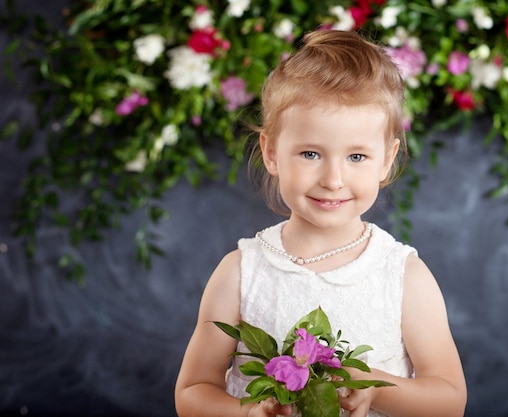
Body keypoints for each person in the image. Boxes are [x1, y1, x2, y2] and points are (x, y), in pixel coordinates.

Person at [174, 29, 467, 417]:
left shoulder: (403, 276)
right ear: (272, 152)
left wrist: (376, 390)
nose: (333, 178)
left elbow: (450, 400)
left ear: (386, 159)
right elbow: (193, 391)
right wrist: (246, 413)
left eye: (357, 157)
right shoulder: (241, 273)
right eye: (311, 153)